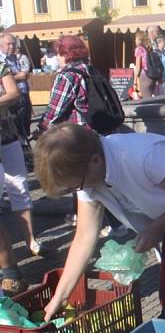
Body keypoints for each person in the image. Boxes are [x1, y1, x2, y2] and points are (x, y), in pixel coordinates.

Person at [34, 124, 165, 324]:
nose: (78, 191)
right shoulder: (86, 178)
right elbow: (83, 237)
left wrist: (155, 229)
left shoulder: (144, 155)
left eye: (74, 186)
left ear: (95, 161)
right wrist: (60, 297)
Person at [35, 35, 127, 239]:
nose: (55, 57)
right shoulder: (90, 69)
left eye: (57, 53)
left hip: (79, 137)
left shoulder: (67, 76)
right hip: (101, 132)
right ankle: (110, 221)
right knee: (101, 179)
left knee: (83, 181)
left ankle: (103, 225)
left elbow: (55, 110)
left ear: (64, 53)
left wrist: (41, 130)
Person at [0, 50, 50, 262]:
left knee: (19, 186)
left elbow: (13, 93)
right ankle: (7, 256)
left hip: (7, 133)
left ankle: (31, 241)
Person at [133, 32, 156, 99]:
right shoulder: (148, 48)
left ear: (139, 40)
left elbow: (138, 67)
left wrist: (134, 81)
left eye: (136, 39)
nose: (135, 41)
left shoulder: (139, 49)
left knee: (146, 99)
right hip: (152, 76)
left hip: (145, 76)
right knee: (150, 96)